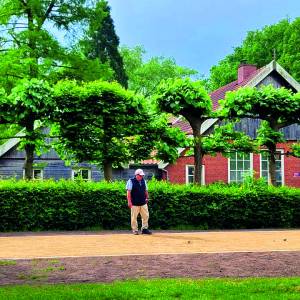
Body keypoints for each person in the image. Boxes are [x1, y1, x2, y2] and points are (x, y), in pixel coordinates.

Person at [126, 169, 152, 235]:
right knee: (134, 217)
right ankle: (135, 230)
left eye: (142, 175)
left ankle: (144, 229)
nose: (141, 177)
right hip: (134, 203)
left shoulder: (144, 181)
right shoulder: (131, 181)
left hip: (143, 202)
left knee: (146, 216)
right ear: (136, 175)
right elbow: (128, 192)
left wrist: (147, 197)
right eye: (140, 175)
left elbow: (145, 190)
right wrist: (129, 202)